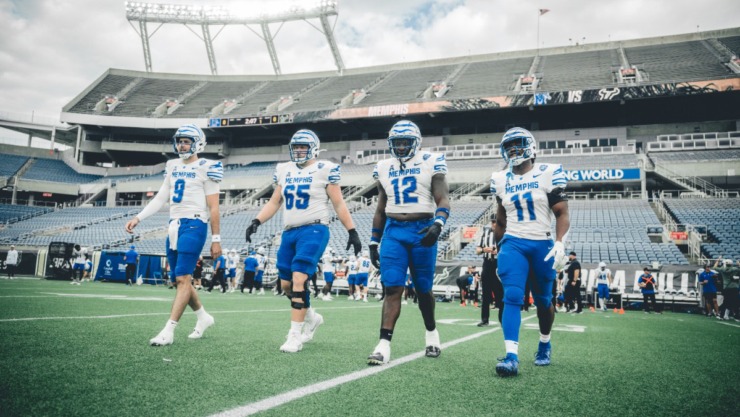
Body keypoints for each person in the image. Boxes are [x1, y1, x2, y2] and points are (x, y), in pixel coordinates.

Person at [244, 129, 361, 353]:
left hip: (315, 229)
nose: (298, 151)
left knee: (299, 278)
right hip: (289, 232)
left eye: (303, 147)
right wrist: (257, 221)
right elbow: (275, 202)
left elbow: (338, 204)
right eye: (295, 146)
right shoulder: (284, 170)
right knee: (286, 284)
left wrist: (352, 231)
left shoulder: (324, 169)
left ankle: (294, 335)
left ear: (314, 148)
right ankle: (311, 317)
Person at [125, 123, 221, 346]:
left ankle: (169, 330)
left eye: (186, 141)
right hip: (174, 225)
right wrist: (138, 217)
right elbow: (161, 198)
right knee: (180, 278)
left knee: (182, 278)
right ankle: (203, 317)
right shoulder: (172, 165)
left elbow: (214, 207)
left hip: (195, 223)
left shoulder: (208, 166)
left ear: (198, 143)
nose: (182, 144)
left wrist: (216, 239)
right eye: (180, 141)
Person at [367, 120, 450, 365]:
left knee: (423, 289)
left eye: (406, 142)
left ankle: (432, 333)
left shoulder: (431, 161)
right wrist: (374, 241)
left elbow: (443, 199)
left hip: (421, 228)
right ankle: (383, 344)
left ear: (416, 142)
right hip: (393, 231)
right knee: (392, 287)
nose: (401, 147)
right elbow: (380, 208)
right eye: (397, 142)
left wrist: (438, 224)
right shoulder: (383, 166)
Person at [490, 127, 570, 377]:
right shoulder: (500, 179)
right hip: (513, 243)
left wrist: (560, 243)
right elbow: (500, 221)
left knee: (544, 301)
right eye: (509, 145)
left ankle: (544, 343)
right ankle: (511, 356)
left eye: (518, 144)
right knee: (511, 296)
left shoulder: (548, 172)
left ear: (531, 146)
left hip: (542, 244)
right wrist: (498, 248)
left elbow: (561, 213)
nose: (513, 149)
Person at [475, 216, 502, 326]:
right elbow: (477, 250)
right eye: (493, 222)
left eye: (496, 222)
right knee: (486, 294)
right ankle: (484, 319)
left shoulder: (504, 234)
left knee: (500, 293)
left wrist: (498, 252)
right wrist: (483, 250)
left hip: (498, 264)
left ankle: (502, 320)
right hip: (487, 263)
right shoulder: (484, 233)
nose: (494, 224)